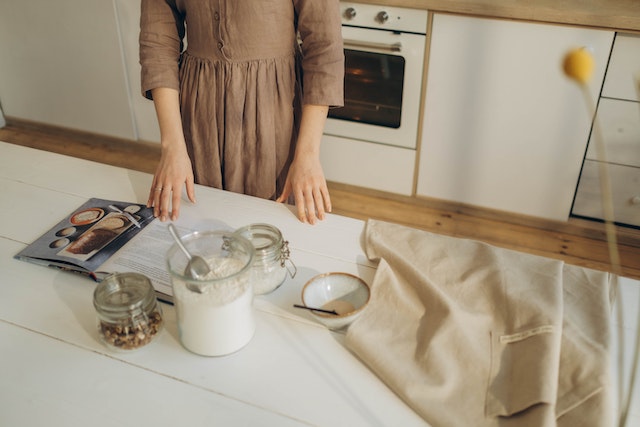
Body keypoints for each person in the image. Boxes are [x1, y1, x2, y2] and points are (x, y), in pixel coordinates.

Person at [139, 0, 344, 225]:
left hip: (273, 113)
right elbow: (158, 45)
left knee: (273, 229)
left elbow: (324, 49)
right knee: (199, 224)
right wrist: (172, 148)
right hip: (199, 113)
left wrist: (308, 154)